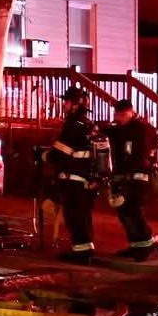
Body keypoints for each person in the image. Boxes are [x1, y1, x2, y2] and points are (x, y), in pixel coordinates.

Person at [47, 85, 99, 262]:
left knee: (74, 217)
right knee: (83, 217)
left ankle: (80, 254)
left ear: (75, 104)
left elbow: (61, 152)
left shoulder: (73, 124)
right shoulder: (88, 124)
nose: (64, 105)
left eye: (67, 102)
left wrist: (46, 155)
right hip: (85, 179)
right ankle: (85, 250)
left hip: (74, 179)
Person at [105, 98, 158, 260]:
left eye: (120, 115)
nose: (116, 118)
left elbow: (135, 156)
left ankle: (144, 247)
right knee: (125, 212)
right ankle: (135, 246)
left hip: (136, 179)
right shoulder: (123, 129)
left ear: (129, 113)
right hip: (124, 177)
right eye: (115, 114)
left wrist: (125, 182)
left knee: (133, 212)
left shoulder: (140, 130)